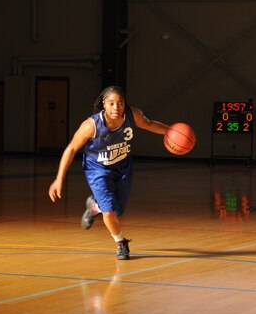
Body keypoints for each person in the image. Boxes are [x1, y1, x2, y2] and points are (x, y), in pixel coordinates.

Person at [48, 86, 169, 260]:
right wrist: (59, 179)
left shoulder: (133, 115)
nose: (116, 107)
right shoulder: (91, 125)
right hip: (98, 169)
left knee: (116, 211)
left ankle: (94, 206)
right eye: (111, 103)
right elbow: (71, 148)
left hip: (123, 166)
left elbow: (150, 125)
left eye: (120, 103)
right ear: (104, 104)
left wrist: (172, 131)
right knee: (110, 211)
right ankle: (121, 243)